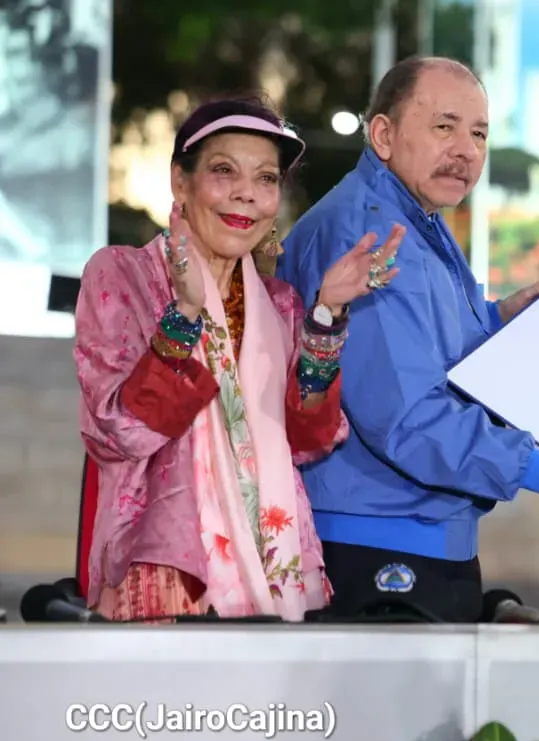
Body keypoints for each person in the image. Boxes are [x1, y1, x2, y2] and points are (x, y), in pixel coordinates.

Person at [276, 57, 539, 623]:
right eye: (444, 126)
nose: (466, 150)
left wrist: (500, 323)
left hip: (420, 531)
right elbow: (407, 417)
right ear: (383, 135)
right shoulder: (369, 233)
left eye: (479, 133)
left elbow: (425, 353)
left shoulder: (416, 216)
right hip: (377, 542)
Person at [74, 97, 405, 622]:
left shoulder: (279, 304)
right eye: (224, 171)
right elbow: (119, 431)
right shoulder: (122, 276)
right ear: (180, 182)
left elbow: (310, 437)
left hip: (275, 567)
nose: (247, 194)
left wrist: (326, 313)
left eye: (267, 179)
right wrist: (183, 314)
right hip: (169, 570)